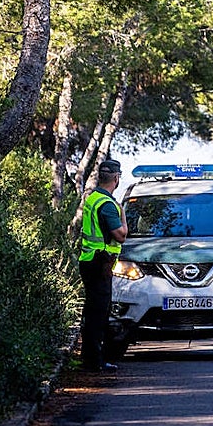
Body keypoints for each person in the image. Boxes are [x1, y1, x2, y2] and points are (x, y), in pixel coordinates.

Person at [79, 159, 128, 372]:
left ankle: (91, 359)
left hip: (90, 261)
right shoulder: (108, 205)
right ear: (116, 179)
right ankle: (93, 362)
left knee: (93, 312)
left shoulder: (94, 198)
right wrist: (123, 215)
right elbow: (121, 235)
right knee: (98, 314)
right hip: (100, 263)